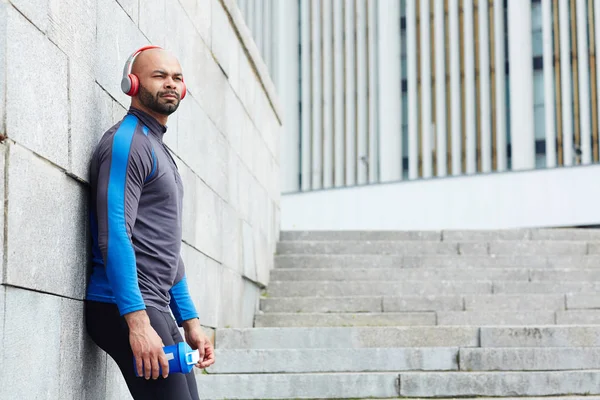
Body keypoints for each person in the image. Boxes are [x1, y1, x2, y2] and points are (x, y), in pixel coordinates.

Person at [84, 45, 215, 400]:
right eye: (159, 76)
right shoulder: (127, 142)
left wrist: (190, 320)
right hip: (123, 306)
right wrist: (138, 323)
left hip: (154, 305)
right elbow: (115, 234)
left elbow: (165, 247)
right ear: (132, 83)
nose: (170, 84)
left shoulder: (157, 147)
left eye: (177, 78)